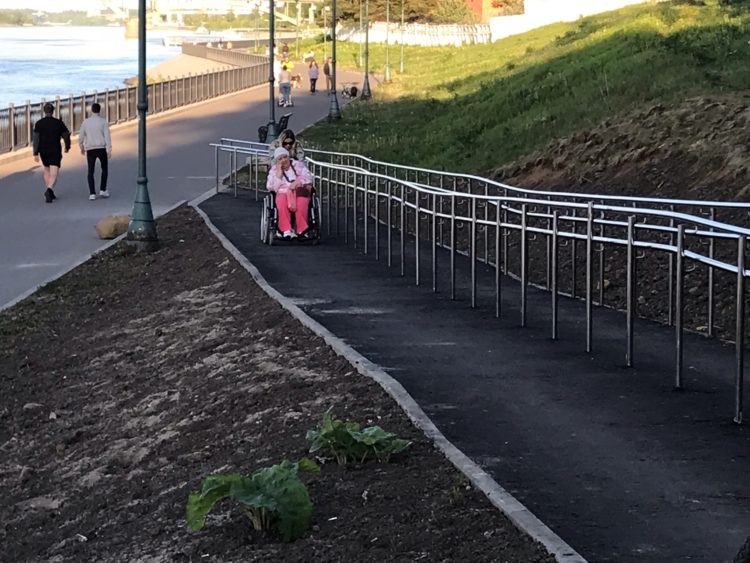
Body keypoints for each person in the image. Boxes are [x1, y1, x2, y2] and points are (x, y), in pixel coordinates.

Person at [267, 146, 314, 239]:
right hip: (282, 191)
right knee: (281, 202)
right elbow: (271, 187)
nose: (283, 160)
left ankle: (302, 230)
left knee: (301, 202)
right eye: (280, 159)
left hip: (298, 190)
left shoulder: (298, 165)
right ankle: (286, 230)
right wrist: (279, 174)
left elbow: (309, 177)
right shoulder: (274, 170)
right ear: (277, 161)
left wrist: (299, 182)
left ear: (288, 156)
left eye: (285, 157)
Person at [32, 103, 71, 204]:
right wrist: (67, 146)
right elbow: (66, 135)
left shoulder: (39, 123)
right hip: (55, 149)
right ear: (53, 111)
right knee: (54, 172)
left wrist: (35, 152)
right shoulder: (58, 123)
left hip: (43, 150)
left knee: (46, 169)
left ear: (44, 111)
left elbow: (36, 139)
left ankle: (50, 192)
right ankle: (49, 190)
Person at [78, 102, 112, 201]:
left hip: (90, 149)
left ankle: (92, 193)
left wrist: (81, 147)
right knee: (104, 169)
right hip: (101, 148)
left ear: (91, 110)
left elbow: (81, 136)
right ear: (99, 110)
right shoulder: (103, 122)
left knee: (90, 171)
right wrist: (109, 149)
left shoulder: (86, 122)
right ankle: (103, 189)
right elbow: (107, 136)